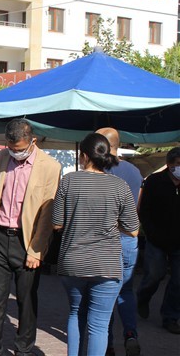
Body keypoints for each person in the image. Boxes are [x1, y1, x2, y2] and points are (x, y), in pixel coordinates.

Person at [0, 118, 61, 356]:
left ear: (32, 141)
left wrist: (37, 249)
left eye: (20, 149)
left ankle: (23, 349)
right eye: (11, 147)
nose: (16, 152)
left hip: (27, 241)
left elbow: (47, 214)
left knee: (26, 299)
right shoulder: (1, 158)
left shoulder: (50, 166)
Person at [53, 133, 139, 356]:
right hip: (107, 264)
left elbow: (56, 223)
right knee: (99, 324)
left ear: (83, 156)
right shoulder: (120, 186)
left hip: (73, 261)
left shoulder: (68, 181)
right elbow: (133, 229)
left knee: (75, 313)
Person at [96, 127, 143, 356]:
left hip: (104, 240)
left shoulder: (98, 170)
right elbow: (137, 208)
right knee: (126, 291)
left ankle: (107, 344)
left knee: (103, 293)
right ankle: (131, 333)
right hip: (128, 238)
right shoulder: (134, 171)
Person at [136, 146, 180, 335]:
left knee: (178, 281)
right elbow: (144, 210)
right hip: (156, 239)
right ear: (169, 164)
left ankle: (170, 317)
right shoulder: (154, 181)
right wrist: (150, 232)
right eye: (178, 164)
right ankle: (143, 297)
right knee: (154, 274)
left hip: (178, 242)